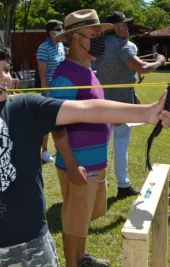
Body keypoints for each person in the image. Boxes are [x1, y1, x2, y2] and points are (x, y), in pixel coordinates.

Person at [0, 35, 170, 266]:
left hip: (28, 248)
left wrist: (147, 112)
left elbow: (85, 108)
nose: (5, 78)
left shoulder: (26, 107)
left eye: (6, 70)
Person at [49, 9, 115, 267]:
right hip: (78, 163)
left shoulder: (88, 69)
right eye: (94, 33)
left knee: (85, 216)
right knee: (74, 220)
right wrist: (73, 163)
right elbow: (56, 124)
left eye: (100, 33)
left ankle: (82, 257)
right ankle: (72, 264)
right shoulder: (65, 75)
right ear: (76, 38)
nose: (99, 38)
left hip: (95, 161)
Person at [95, 11, 166, 199]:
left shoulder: (99, 44)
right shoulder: (123, 46)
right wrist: (158, 62)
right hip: (120, 105)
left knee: (101, 145)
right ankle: (123, 185)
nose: (127, 27)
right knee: (120, 145)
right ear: (113, 27)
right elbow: (142, 68)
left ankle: (98, 185)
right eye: (123, 24)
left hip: (100, 101)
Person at [37, 19, 66, 163]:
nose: (62, 30)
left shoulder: (61, 45)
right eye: (59, 28)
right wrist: (47, 90)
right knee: (47, 122)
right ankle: (44, 151)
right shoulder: (44, 47)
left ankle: (61, 148)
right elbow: (42, 72)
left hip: (63, 89)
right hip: (50, 90)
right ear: (51, 32)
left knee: (63, 120)